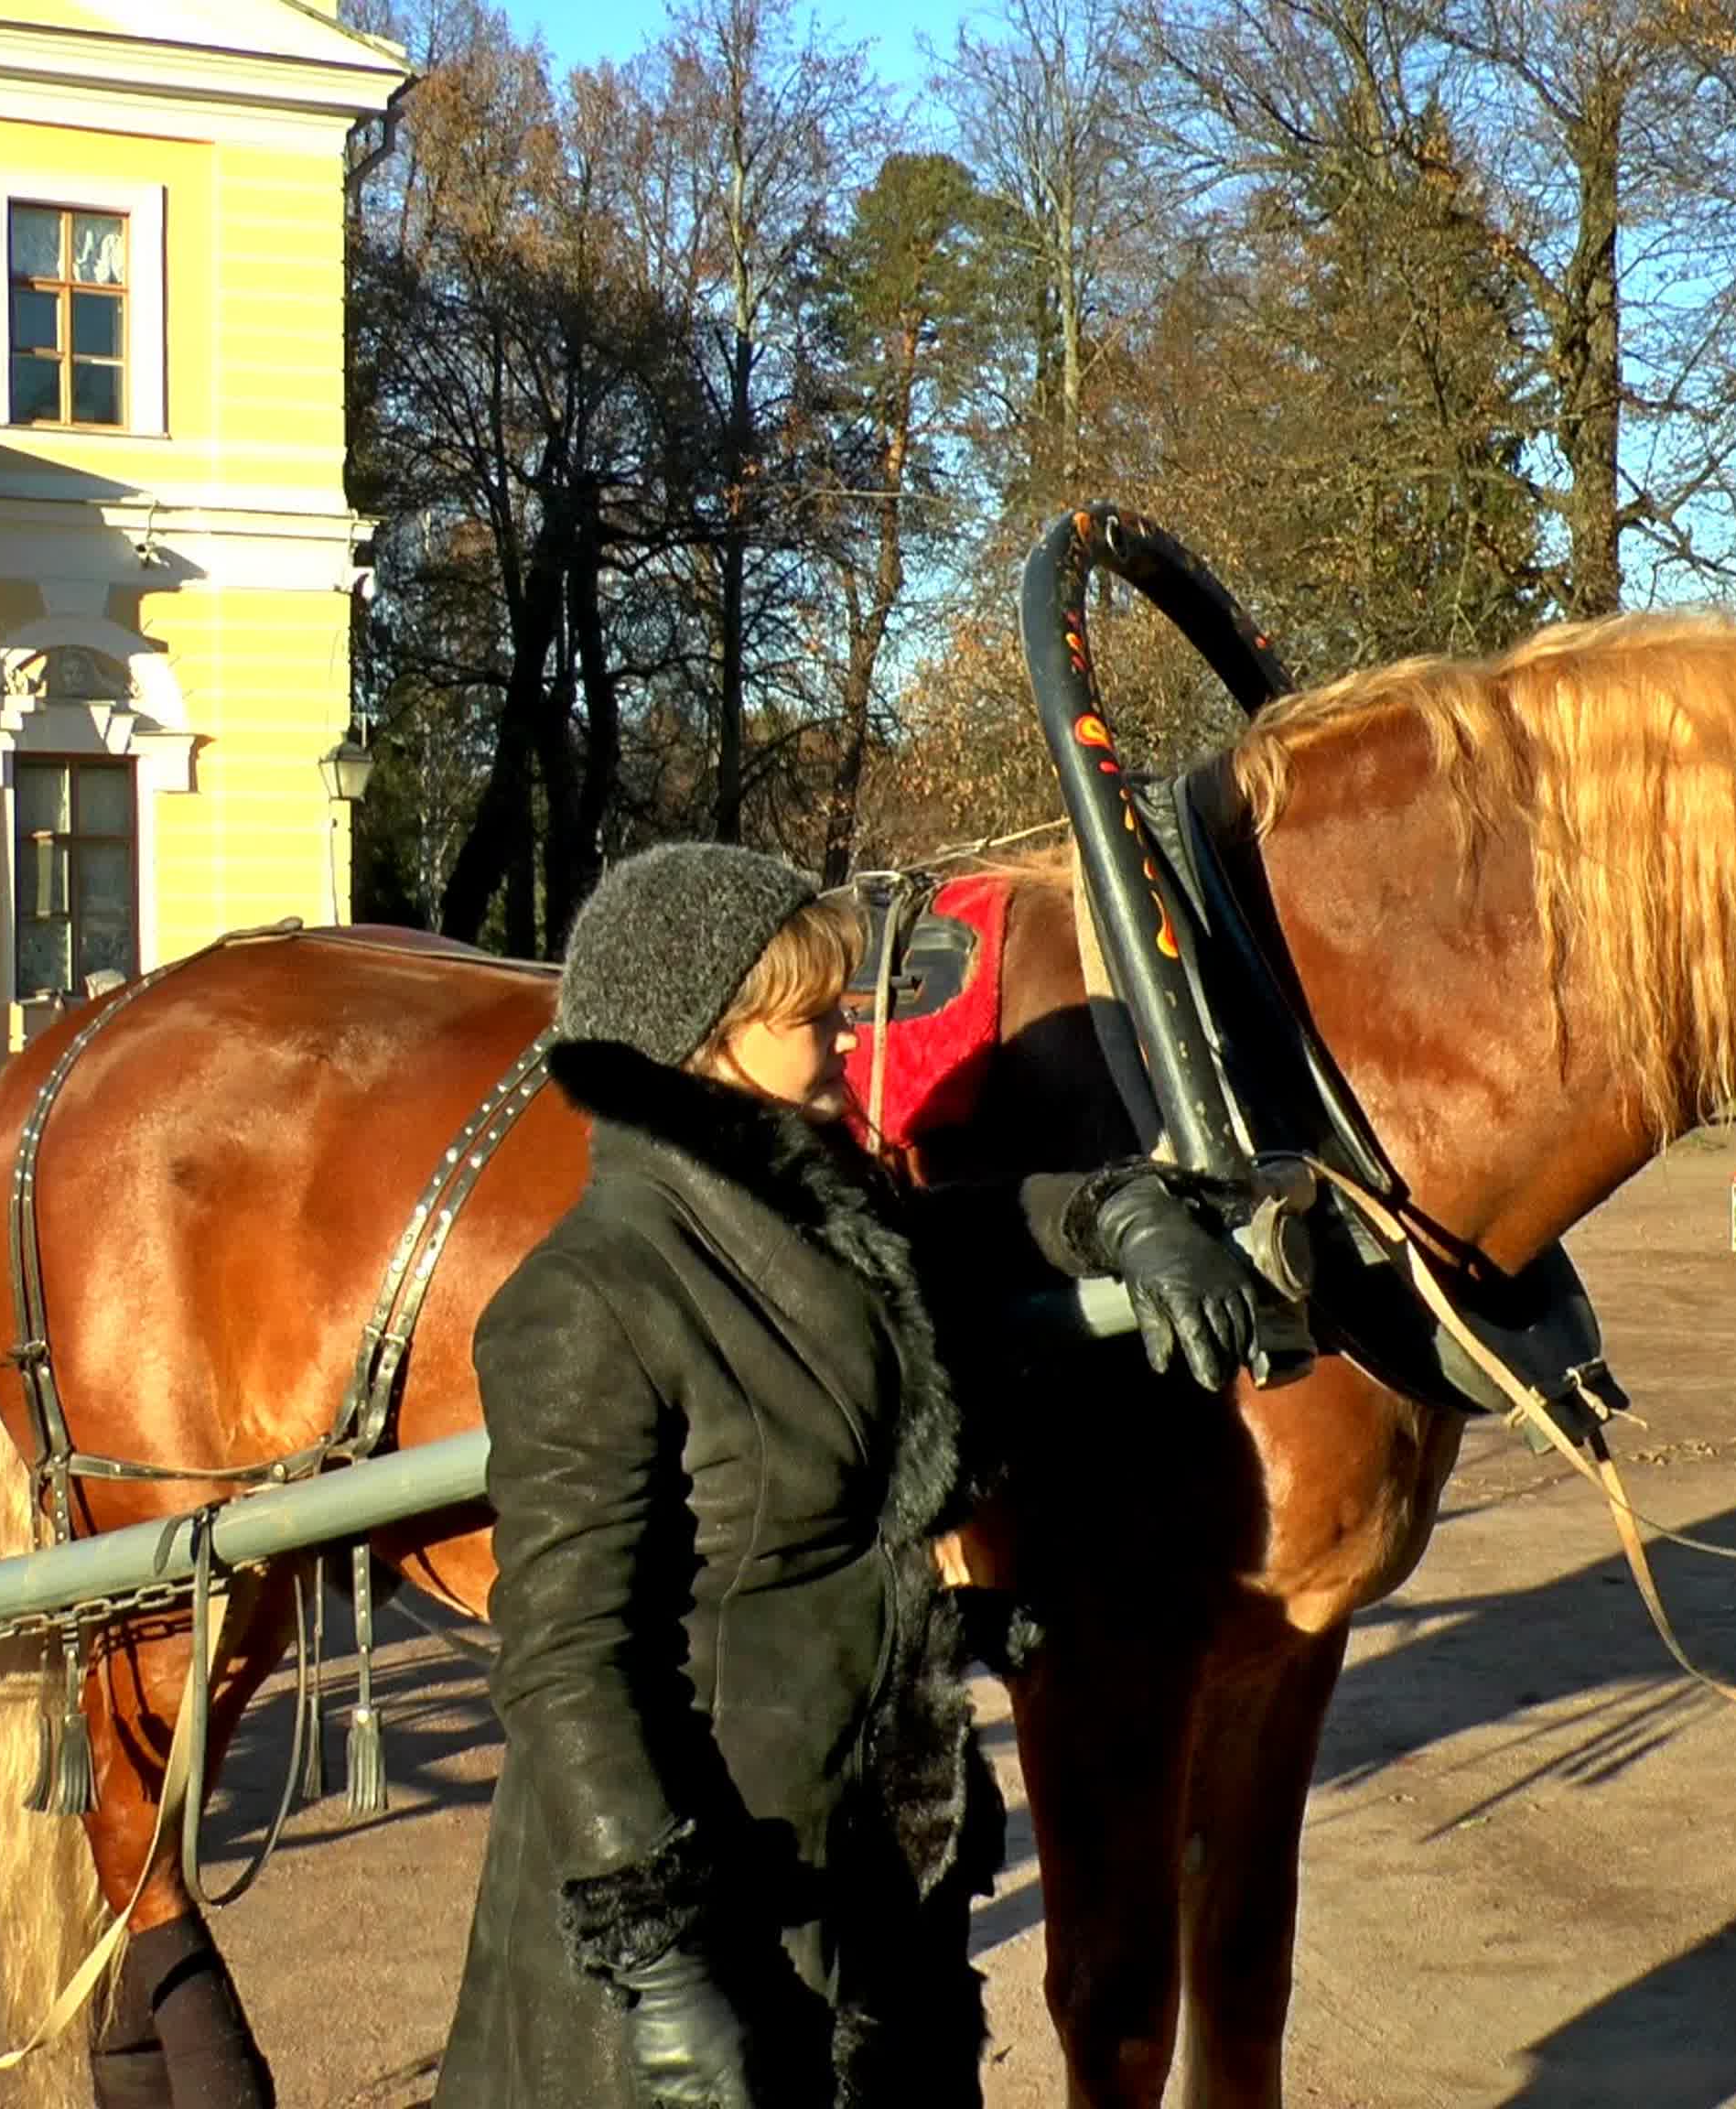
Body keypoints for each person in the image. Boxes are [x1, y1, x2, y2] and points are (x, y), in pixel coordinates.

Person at [437, 844, 1261, 2109]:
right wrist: (663, 1968)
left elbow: (958, 1228)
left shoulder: (807, 1218)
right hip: (718, 1913)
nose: (844, 1046)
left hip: (871, 1877)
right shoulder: (590, 1297)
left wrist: (1119, 1215)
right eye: (811, 1018)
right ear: (705, 1041)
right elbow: (567, 1657)